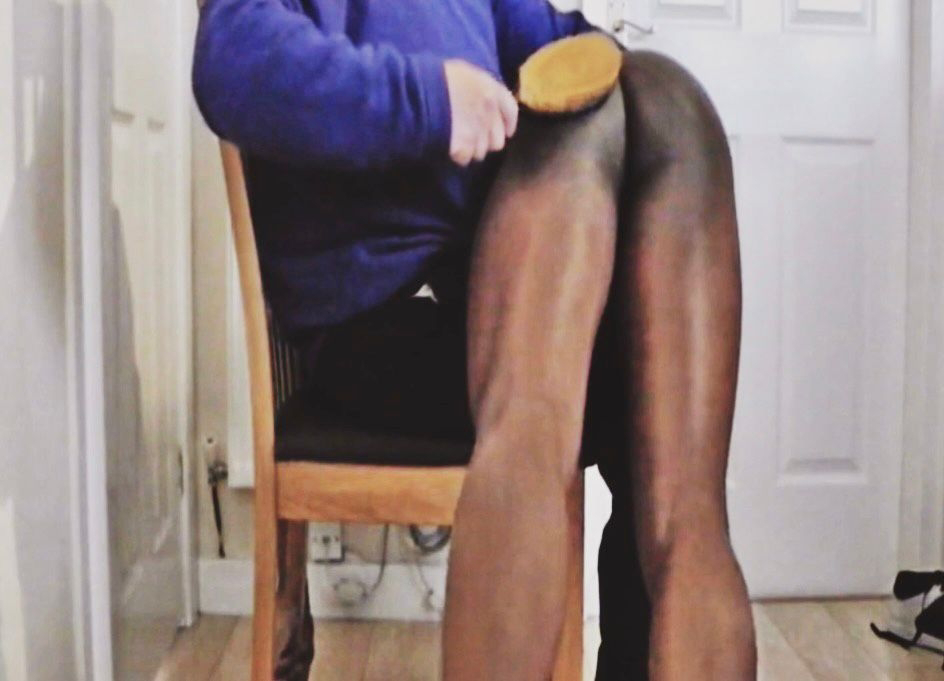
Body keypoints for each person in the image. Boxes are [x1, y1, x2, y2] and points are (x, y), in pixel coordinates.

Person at [192, 0, 757, 679]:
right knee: (601, 408)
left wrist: (608, 68)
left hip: (482, 295)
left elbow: (555, 46)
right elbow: (233, 64)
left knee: (660, 94)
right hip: (376, 322)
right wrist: (431, 101)